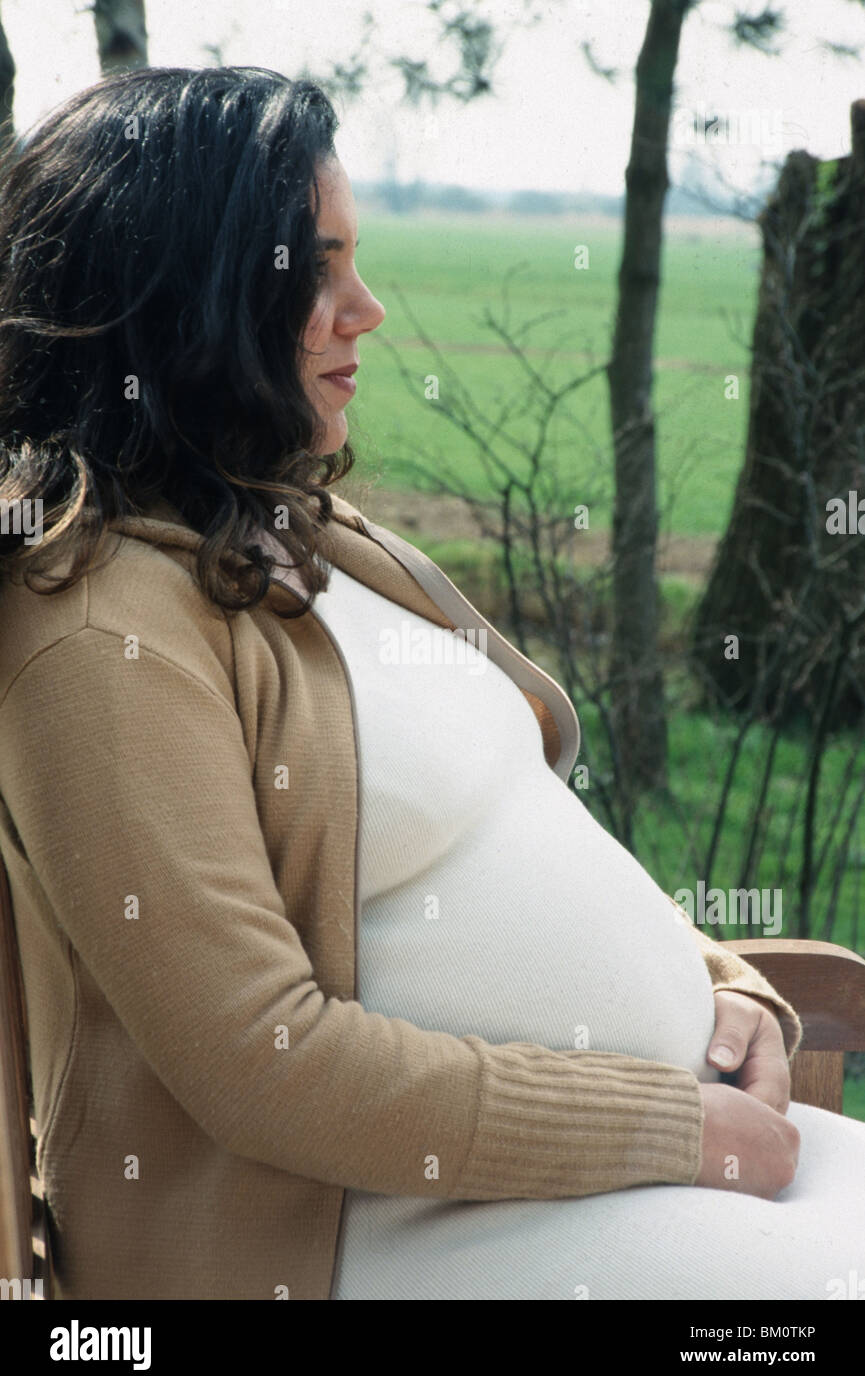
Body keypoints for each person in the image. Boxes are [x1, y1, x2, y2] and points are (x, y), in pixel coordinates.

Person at [0, 65, 862, 1303]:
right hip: (363, 1239)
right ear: (187, 299)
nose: (370, 309)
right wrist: (675, 1125)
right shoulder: (93, 631)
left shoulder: (299, 532)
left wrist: (721, 990)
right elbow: (263, 1063)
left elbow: (526, 819)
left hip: (609, 1176)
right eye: (319, 271)